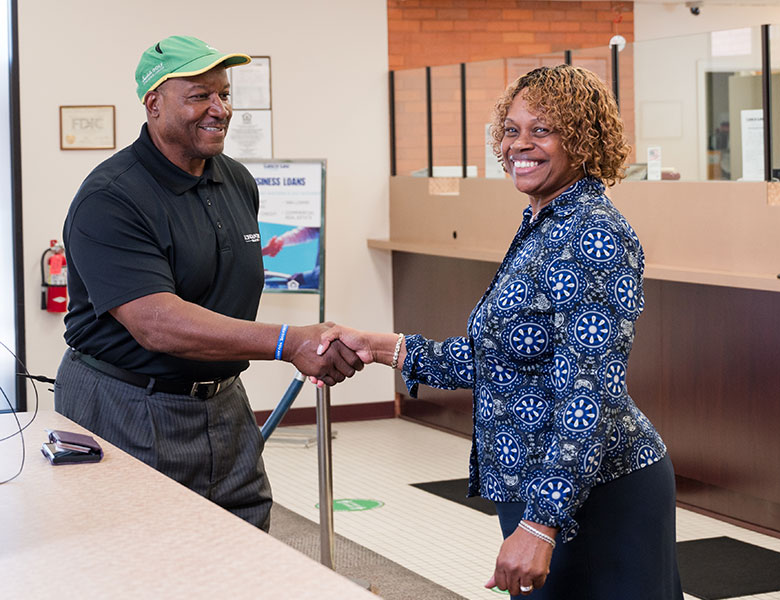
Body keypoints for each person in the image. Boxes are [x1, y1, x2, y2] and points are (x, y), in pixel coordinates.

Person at [314, 65, 683, 598]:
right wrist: (380, 347)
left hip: (593, 494)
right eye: (511, 129)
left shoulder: (593, 234)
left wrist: (540, 525)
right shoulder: (542, 221)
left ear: (582, 141)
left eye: (543, 129)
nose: (520, 144)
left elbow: (591, 393)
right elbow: (501, 360)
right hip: (538, 488)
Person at [55, 35, 363, 532]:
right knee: (142, 552)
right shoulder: (110, 198)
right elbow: (159, 324)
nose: (219, 109)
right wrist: (289, 341)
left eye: (223, 94)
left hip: (222, 401)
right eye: (200, 95)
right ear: (153, 103)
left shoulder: (236, 180)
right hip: (129, 402)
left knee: (244, 536)